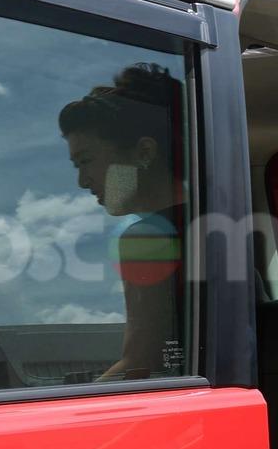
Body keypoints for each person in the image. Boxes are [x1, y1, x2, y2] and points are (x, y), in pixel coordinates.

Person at [58, 63, 187, 381]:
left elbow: (141, 363)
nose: (82, 181)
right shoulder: (216, 226)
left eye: (86, 161)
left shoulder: (146, 237)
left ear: (144, 152)